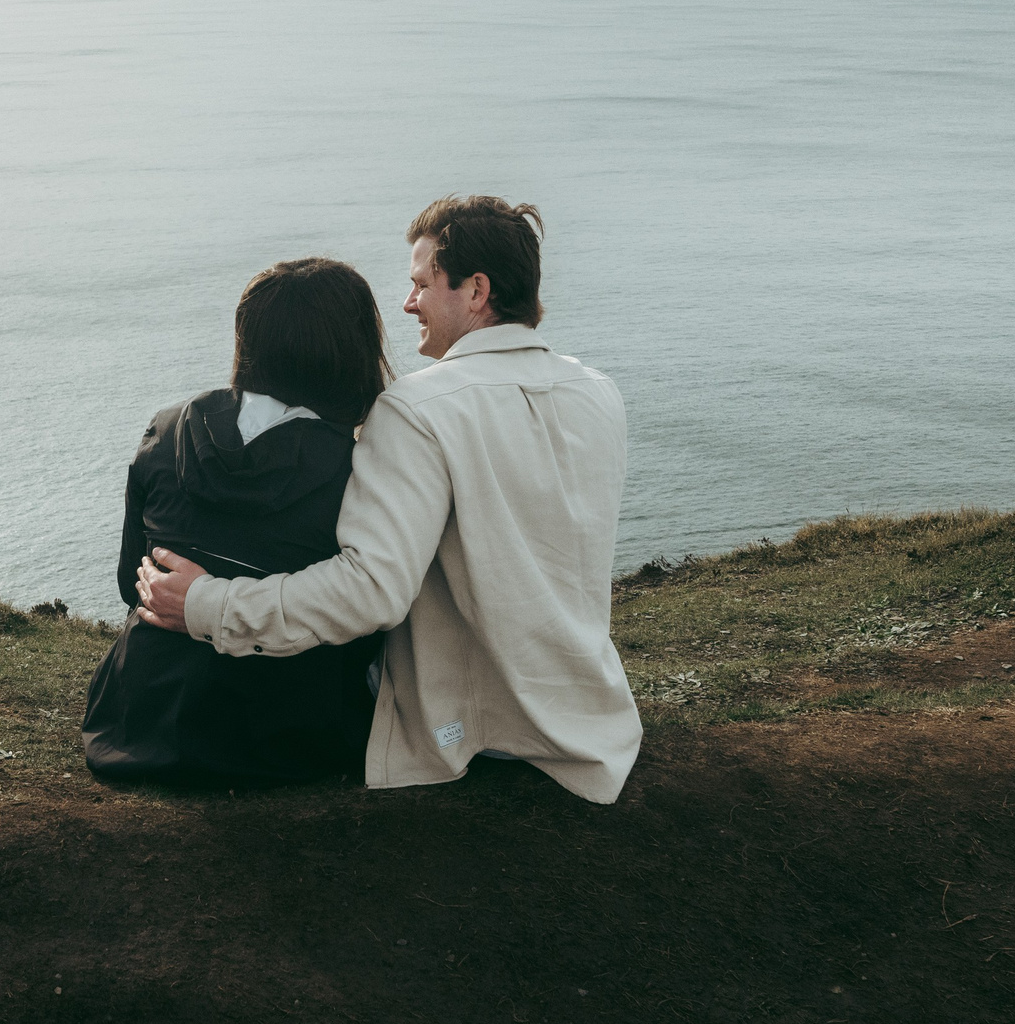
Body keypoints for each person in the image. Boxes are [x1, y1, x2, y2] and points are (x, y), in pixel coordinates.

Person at [135, 197, 642, 803]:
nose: (408, 305)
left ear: (476, 290)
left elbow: (369, 591)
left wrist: (208, 604)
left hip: (469, 725)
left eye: (422, 284)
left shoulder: (416, 409)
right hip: (583, 712)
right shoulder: (598, 391)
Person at [82, 257, 392, 785]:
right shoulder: (360, 467)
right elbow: (371, 616)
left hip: (140, 723)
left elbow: (128, 585)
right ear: (353, 349)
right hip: (289, 737)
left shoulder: (167, 428)